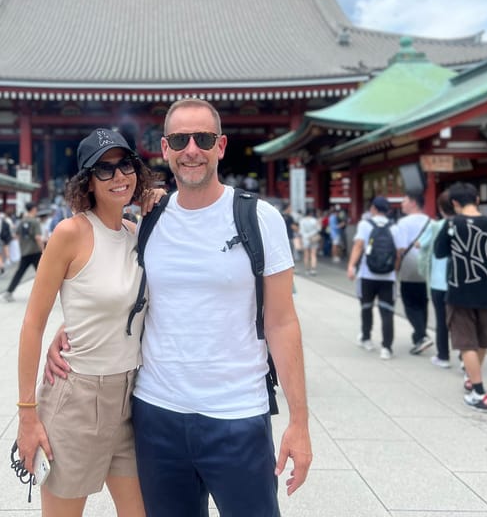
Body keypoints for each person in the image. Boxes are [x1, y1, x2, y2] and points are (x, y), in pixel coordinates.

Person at [48, 99, 312, 516]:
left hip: (238, 414)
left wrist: (299, 421)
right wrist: (71, 328)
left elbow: (282, 322)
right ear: (165, 149)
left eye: (203, 139)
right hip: (157, 416)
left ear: (221, 146)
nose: (192, 149)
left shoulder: (259, 218)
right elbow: (115, 283)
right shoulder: (149, 218)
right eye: (179, 140)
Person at [17, 128, 154, 516]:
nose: (118, 176)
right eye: (104, 169)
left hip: (131, 397)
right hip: (77, 397)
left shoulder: (136, 234)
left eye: (125, 164)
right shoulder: (70, 234)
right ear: (87, 181)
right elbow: (32, 322)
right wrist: (27, 414)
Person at [434, 182, 487, 413]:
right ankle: (472, 377)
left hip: (459, 289)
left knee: (465, 341)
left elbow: (440, 252)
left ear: (455, 203)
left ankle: (479, 391)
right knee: (482, 338)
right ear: (478, 200)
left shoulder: (450, 224)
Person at [347, 196, 403, 359]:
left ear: (373, 208)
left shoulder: (365, 224)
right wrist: (394, 270)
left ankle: (366, 338)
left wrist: (351, 266)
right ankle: (386, 347)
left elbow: (358, 246)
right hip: (388, 277)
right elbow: (399, 252)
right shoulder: (394, 227)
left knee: (366, 307)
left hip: (367, 275)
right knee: (387, 311)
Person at [416, 190, 454, 369]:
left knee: (441, 320)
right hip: (460, 280)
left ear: (441, 208)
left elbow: (419, 245)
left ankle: (443, 356)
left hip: (439, 281)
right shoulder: (466, 225)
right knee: (462, 321)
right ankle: (465, 359)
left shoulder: (436, 226)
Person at [396, 190, 434, 356]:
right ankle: (419, 336)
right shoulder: (431, 222)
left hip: (409, 266)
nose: (402, 204)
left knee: (410, 303)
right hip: (427, 267)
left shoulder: (403, 223)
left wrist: (395, 267)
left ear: (413, 202)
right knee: (422, 302)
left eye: (404, 201)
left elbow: (400, 248)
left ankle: (422, 335)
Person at [4, 202, 44, 301]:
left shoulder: (22, 221)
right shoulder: (35, 222)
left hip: (25, 251)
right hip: (35, 251)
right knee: (41, 273)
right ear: (33, 209)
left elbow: (16, 235)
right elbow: (37, 237)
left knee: (20, 272)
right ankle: (43, 294)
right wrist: (43, 250)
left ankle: (9, 291)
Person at [299, 208, 321, 276]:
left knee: (306, 255)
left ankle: (307, 270)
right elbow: (319, 229)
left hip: (305, 239)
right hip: (313, 238)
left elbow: (301, 231)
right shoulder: (314, 220)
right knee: (313, 254)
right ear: (311, 214)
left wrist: (305, 236)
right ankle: (313, 270)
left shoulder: (302, 221)